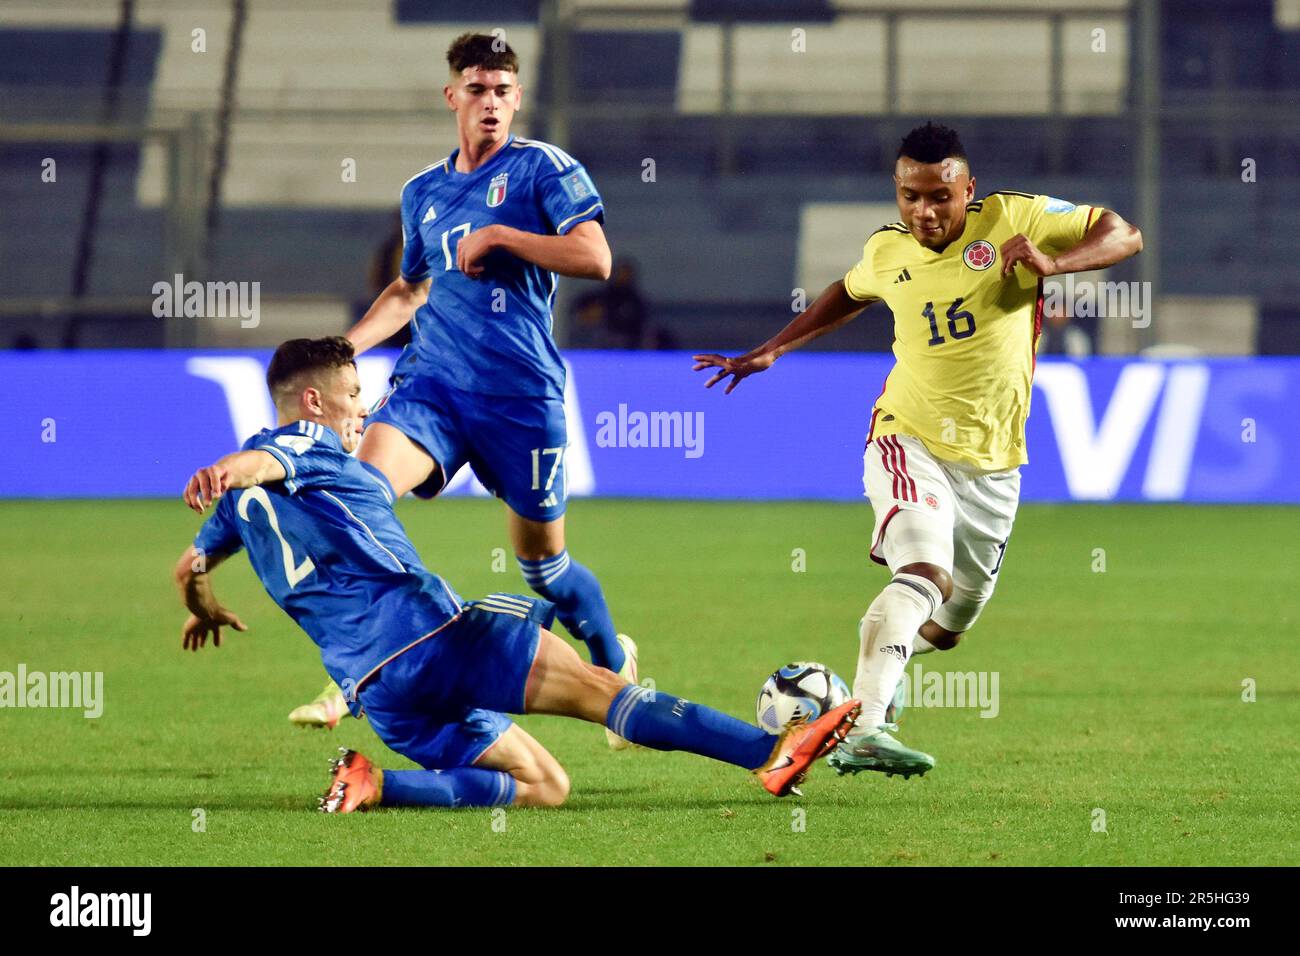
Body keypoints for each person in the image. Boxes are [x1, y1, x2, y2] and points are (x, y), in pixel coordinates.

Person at [175, 337, 859, 811]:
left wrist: (203, 605)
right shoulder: (298, 444)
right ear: (315, 403)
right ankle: (769, 753)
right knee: (602, 689)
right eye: (355, 393)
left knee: (543, 785)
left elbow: (189, 566)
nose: (365, 406)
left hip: (378, 694)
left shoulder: (235, 511)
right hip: (434, 639)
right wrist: (223, 468)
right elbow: (260, 463)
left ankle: (376, 784)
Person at [693, 122, 1142, 778]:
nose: (924, 212)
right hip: (908, 438)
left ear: (969, 189)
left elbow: (1125, 234)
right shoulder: (888, 251)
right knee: (925, 575)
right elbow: (846, 293)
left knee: (953, 623)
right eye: (909, 197)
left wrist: (1055, 263)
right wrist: (774, 348)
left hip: (994, 460)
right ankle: (864, 728)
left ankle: (860, 693)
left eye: (939, 196)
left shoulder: (1018, 218)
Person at [289, 33, 636, 748]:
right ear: (452, 96)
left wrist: (506, 236)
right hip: (434, 388)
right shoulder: (424, 191)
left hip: (521, 397)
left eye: (504, 91)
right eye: (478, 89)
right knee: (355, 500)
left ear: (517, 99)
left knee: (547, 568)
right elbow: (410, 288)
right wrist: (341, 351)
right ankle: (364, 667)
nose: (492, 103)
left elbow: (596, 257)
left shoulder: (544, 169)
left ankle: (615, 669)